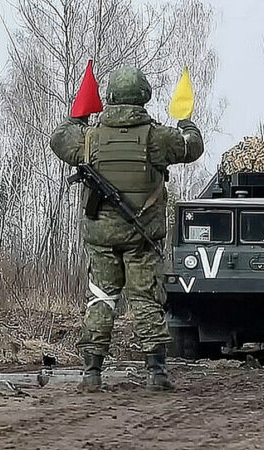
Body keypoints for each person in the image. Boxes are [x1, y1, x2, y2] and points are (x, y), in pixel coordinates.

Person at [50, 66, 204, 392]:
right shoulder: (158, 138)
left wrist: (79, 116)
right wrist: (186, 120)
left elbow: (60, 139)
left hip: (101, 236)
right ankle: (156, 372)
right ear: (144, 98)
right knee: (146, 299)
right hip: (141, 237)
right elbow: (193, 146)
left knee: (101, 298)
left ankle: (91, 372)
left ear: (112, 97)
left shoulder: (90, 137)